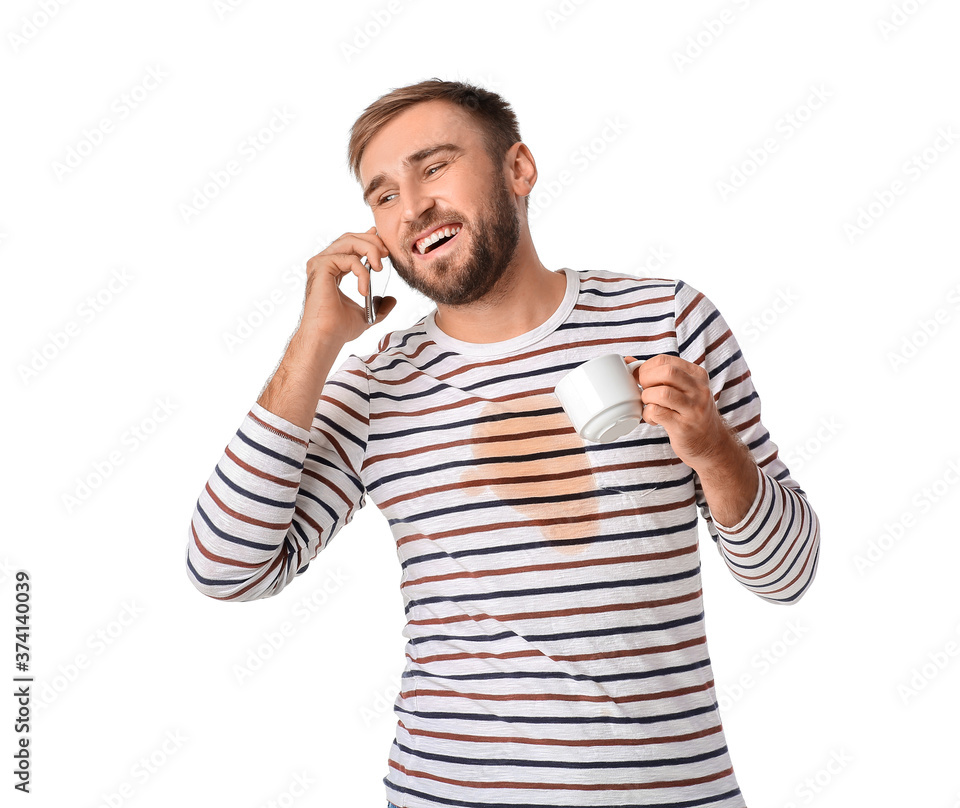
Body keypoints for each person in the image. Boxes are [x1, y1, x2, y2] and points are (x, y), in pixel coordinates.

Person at [186, 79, 821, 808]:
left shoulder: (668, 320)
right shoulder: (375, 386)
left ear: (518, 170)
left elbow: (788, 575)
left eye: (433, 167)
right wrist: (315, 340)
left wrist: (713, 450)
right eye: (383, 195)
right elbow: (226, 568)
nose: (412, 206)